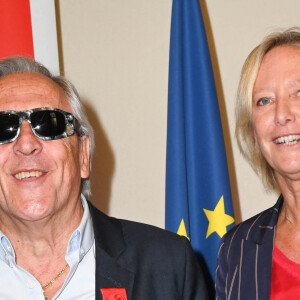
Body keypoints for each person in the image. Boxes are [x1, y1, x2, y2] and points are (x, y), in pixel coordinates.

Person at [0, 56, 209, 300]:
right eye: (4, 127)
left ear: (83, 156)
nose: (26, 144)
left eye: (49, 124)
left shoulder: (167, 264)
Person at [215, 27, 300, 299]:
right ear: (252, 129)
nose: (281, 114)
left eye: (299, 92)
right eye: (264, 100)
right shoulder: (237, 248)